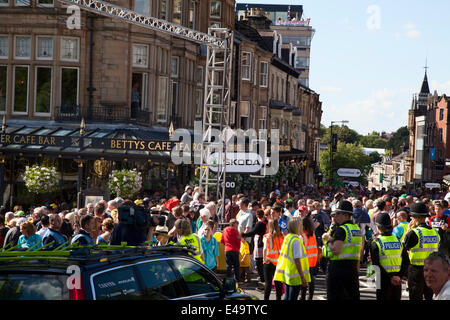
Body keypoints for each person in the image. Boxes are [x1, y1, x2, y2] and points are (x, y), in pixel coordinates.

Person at [322, 200, 362, 300]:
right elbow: (360, 250)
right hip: (352, 268)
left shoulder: (341, 229)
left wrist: (328, 241)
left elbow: (336, 250)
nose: (335, 216)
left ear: (346, 215)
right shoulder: (356, 228)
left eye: (338, 213)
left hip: (338, 270)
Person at [402, 201, 440, 300]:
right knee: (429, 296)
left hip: (416, 270)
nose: (411, 219)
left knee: (415, 296)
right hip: (432, 269)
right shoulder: (434, 232)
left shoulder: (414, 233)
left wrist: (408, 230)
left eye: (412, 217)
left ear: (416, 217)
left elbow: (403, 247)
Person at [370, 212, 405, 300]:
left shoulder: (376, 243)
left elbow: (376, 265)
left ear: (378, 227)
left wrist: (390, 277)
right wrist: (399, 276)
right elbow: (406, 261)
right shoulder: (398, 241)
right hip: (397, 280)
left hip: (382, 280)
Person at [274, 217, 310, 300]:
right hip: (295, 275)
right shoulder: (296, 241)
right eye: (301, 225)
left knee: (287, 296)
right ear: (297, 227)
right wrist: (302, 277)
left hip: (288, 272)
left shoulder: (288, 237)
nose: (302, 227)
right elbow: (297, 260)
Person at [241, 209, 267, 284]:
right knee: (261, 260)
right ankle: (263, 277)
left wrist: (244, 235)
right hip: (262, 241)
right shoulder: (266, 222)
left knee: (259, 261)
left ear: (257, 215)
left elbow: (253, 232)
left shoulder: (259, 224)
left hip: (259, 242)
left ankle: (262, 278)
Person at [262, 219, 284, 300]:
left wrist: (264, 259)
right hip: (278, 262)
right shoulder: (281, 236)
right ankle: (278, 298)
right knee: (278, 282)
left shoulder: (267, 236)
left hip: (268, 261)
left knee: (268, 283)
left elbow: (264, 249)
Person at [300, 216, 319, 300]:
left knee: (304, 280)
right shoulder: (313, 234)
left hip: (305, 261)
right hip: (313, 260)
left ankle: (303, 296)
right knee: (311, 279)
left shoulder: (302, 236)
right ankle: (310, 297)